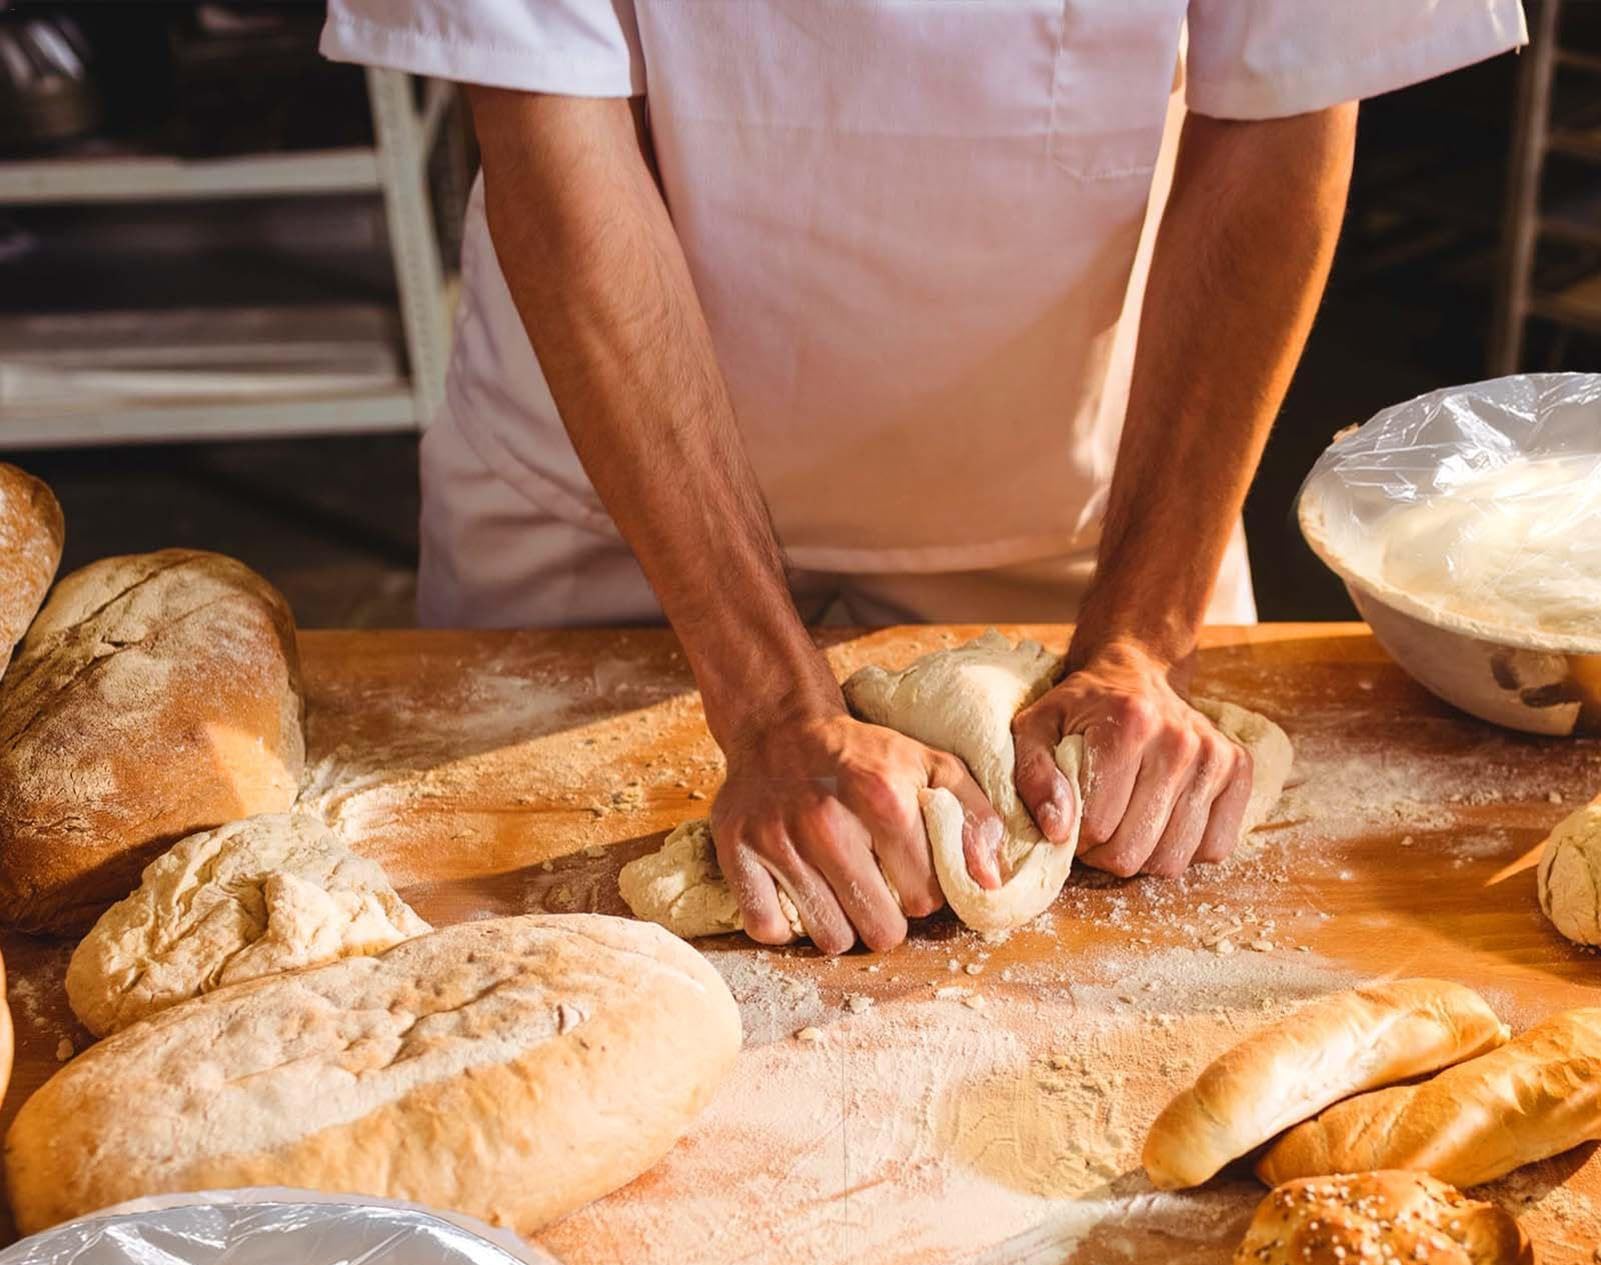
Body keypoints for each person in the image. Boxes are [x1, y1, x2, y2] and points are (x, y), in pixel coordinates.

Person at [323, 0, 1526, 953]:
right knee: (500, 943)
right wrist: (770, 709)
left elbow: (1282, 107)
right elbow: (548, 123)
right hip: (605, 487)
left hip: (1083, 500)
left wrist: (1140, 644)